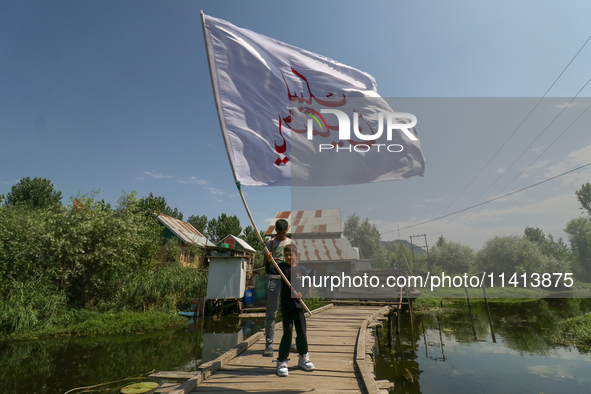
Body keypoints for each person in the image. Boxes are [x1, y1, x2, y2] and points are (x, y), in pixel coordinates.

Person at [275, 244, 314, 377]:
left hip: (298, 307)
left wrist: (301, 293)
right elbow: (270, 269)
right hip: (286, 307)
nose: (288, 257)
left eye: (291, 255)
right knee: (287, 333)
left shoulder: (301, 270)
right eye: (286, 255)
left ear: (296, 256)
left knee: (302, 332)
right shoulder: (281, 268)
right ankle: (281, 361)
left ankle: (303, 357)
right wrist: (269, 260)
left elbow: (307, 284)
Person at [263, 219, 291, 357]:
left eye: (283, 233)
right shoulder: (270, 243)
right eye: (278, 233)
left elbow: (295, 263)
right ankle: (269, 345)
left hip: (287, 280)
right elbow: (266, 267)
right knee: (271, 313)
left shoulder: (291, 243)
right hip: (273, 279)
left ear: (287, 230)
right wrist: (269, 260)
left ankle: (288, 342)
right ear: (276, 231)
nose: (281, 235)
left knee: (288, 311)